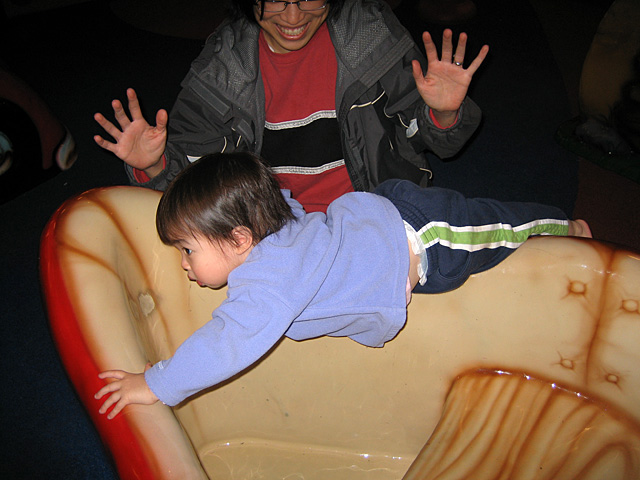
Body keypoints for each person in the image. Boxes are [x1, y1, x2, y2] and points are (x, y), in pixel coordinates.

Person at [94, 151, 591, 417]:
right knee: (484, 242)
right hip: (383, 235)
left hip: (418, 232)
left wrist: (156, 383)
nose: (183, 264)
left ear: (240, 239)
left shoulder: (265, 281)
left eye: (188, 250)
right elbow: (277, 198)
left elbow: (224, 345)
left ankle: (560, 227)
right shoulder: (266, 233)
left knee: (492, 230)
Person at [93, 0, 489, 213]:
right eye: (277, 0)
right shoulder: (224, 66)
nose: (294, 16)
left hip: (378, 206)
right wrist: (152, 165)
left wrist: (444, 113)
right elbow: (192, 179)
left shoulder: (369, 33)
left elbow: (427, 138)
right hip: (275, 226)